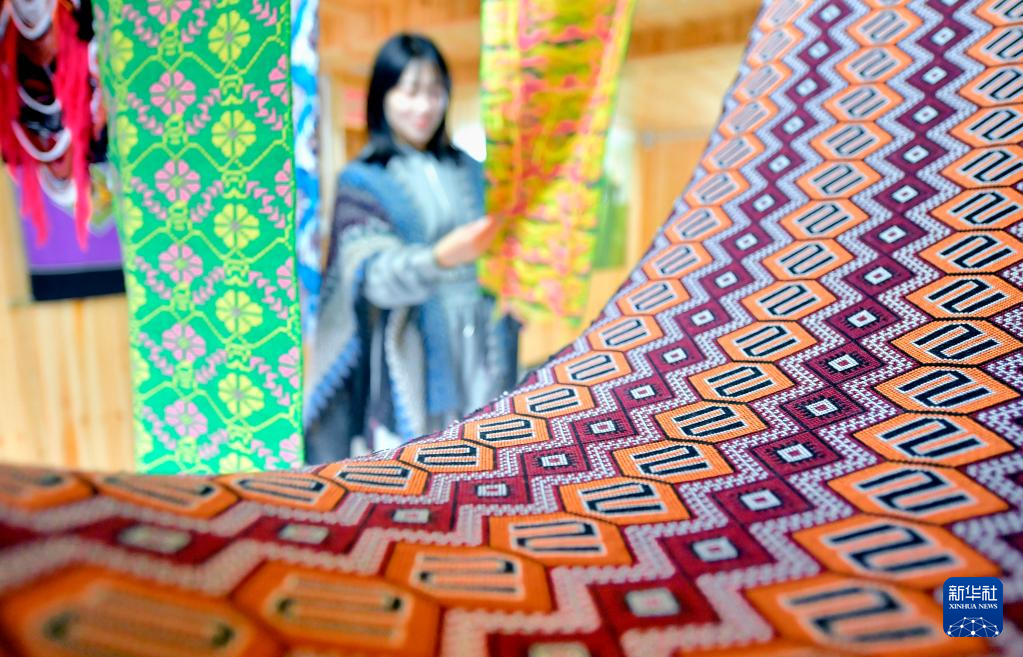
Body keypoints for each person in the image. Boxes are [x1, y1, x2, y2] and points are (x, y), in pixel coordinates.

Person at [304, 33, 519, 462]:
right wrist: (441, 258)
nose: (424, 106)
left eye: (435, 91)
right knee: (421, 467)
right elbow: (369, 277)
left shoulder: (474, 171)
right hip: (412, 355)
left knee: (491, 453)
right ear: (382, 96)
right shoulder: (363, 180)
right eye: (410, 91)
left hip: (483, 344)